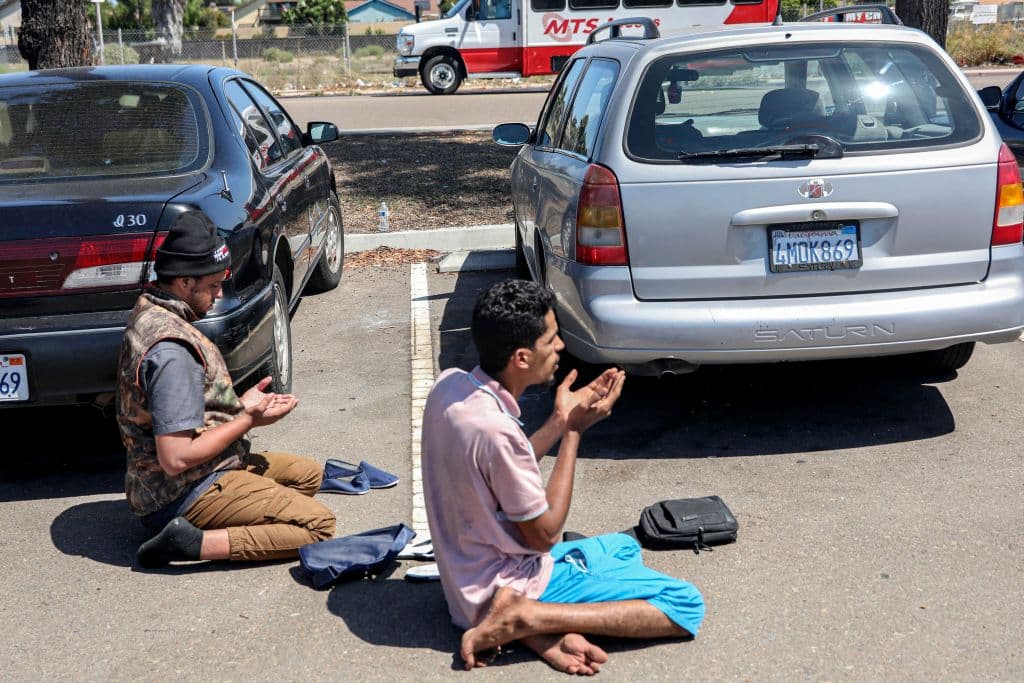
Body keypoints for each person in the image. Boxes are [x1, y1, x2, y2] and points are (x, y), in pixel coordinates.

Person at [420, 279, 705, 675]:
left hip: (463, 581)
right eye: (551, 339)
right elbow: (546, 534)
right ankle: (530, 619)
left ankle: (536, 630)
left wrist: (557, 419)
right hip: (505, 584)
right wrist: (572, 432)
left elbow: (502, 468)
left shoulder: (449, 385)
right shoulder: (497, 431)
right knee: (684, 603)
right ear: (522, 357)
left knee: (622, 550)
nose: (560, 347)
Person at [116, 213, 335, 568]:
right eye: (214, 286)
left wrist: (240, 408)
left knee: (307, 475)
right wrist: (247, 418)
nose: (219, 296)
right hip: (181, 492)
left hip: (195, 472)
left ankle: (245, 507)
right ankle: (191, 542)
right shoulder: (172, 353)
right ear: (185, 282)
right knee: (318, 526)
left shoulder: (153, 309)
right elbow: (176, 458)